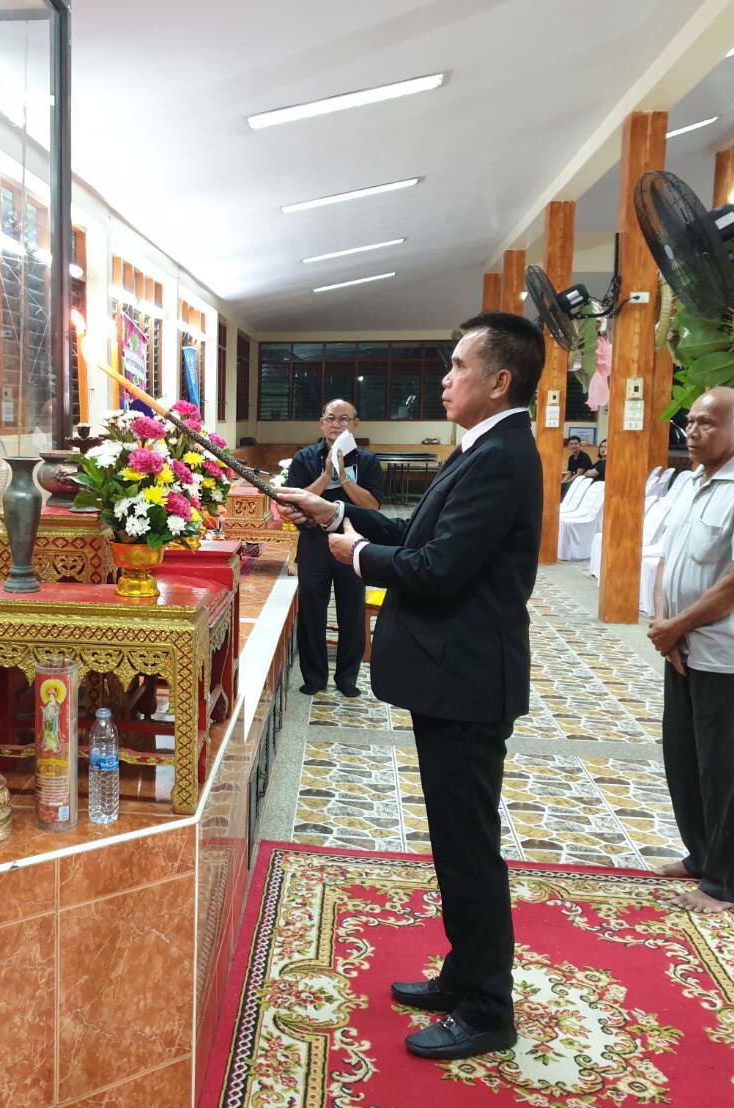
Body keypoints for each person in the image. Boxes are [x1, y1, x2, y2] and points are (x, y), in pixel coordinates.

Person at [277, 311, 544, 1061]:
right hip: (448, 677)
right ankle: (465, 973)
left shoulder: (502, 457)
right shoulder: (481, 447)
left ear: (499, 380)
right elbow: (420, 534)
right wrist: (334, 510)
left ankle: (488, 1008)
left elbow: (437, 569)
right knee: (454, 840)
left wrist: (355, 555)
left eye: (458, 366)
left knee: (469, 846)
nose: (445, 379)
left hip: (467, 677)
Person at [647, 387, 734, 914]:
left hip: (730, 655)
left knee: (727, 771)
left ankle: (725, 882)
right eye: (690, 422)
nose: (693, 431)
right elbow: (667, 560)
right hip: (681, 647)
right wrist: (665, 625)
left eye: (707, 423)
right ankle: (701, 855)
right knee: (685, 759)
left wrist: (676, 627)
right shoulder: (690, 482)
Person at [285, 399, 383, 697]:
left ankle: (347, 678)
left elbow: (373, 506)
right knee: (312, 611)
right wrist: (326, 475)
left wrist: (344, 478)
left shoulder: (367, 461)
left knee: (351, 611)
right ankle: (314, 677)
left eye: (344, 419)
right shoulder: (304, 458)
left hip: (353, 542)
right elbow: (295, 502)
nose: (336, 425)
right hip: (314, 542)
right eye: (330, 418)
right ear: (321, 423)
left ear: (355, 424)